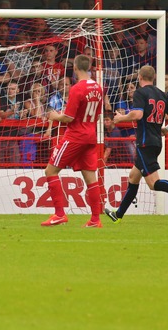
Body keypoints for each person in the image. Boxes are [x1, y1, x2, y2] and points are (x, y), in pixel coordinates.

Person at [105, 65, 168, 223]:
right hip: (155, 141)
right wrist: (167, 128)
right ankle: (118, 215)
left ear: (140, 77)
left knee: (153, 183)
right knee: (133, 177)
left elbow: (138, 114)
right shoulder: (162, 94)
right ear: (153, 77)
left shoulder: (140, 92)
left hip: (144, 142)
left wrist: (121, 118)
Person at [40, 55, 103, 228]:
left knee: (50, 171)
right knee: (91, 178)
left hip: (75, 136)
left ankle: (59, 214)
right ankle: (95, 220)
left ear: (75, 68)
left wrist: (55, 116)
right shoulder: (98, 88)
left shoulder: (77, 89)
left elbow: (68, 117)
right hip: (91, 135)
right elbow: (97, 114)